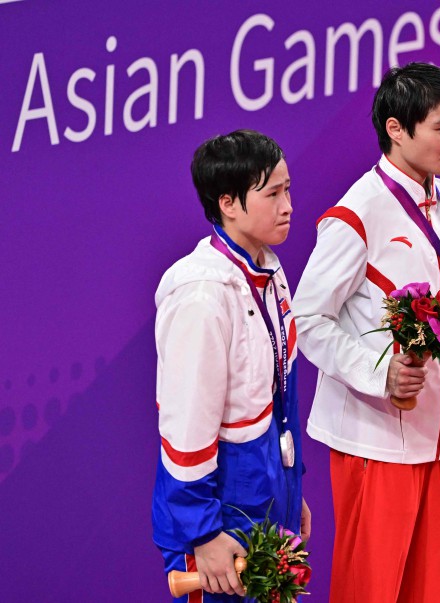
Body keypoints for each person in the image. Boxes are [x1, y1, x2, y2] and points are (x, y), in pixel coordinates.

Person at [292, 63, 440, 603]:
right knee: (371, 591)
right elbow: (307, 318)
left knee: (437, 591)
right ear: (397, 129)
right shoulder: (357, 213)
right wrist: (379, 372)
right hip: (377, 441)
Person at [152, 130, 310, 602]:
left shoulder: (269, 270)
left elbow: (279, 397)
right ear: (229, 203)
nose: (289, 206)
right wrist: (202, 533)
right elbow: (185, 427)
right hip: (218, 523)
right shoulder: (201, 294)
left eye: (288, 189)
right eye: (273, 194)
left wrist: (290, 489)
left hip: (265, 504)